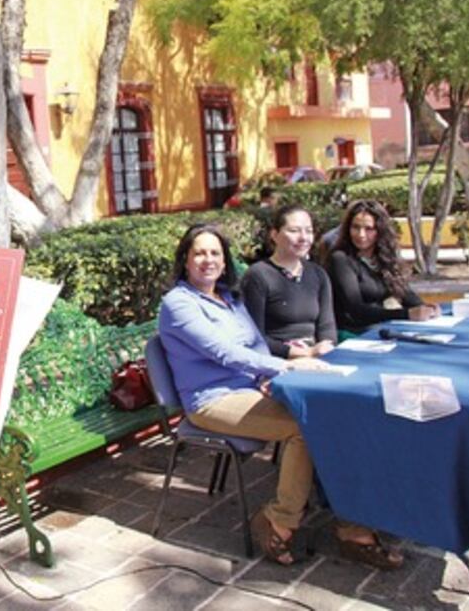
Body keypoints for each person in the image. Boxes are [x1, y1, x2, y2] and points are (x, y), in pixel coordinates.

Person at [158, 223, 403, 569]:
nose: (207, 260)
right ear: (185, 259)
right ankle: (279, 520)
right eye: (199, 252)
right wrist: (283, 368)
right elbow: (223, 352)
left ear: (225, 263)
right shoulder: (177, 304)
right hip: (211, 400)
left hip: (246, 388)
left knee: (331, 418)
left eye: (215, 253)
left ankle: (351, 524)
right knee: (303, 429)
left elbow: (254, 344)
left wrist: (265, 374)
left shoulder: (228, 298)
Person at [327, 199, 439, 333]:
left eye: (369, 229)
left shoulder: (384, 258)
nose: (361, 234)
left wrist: (425, 308)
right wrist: (406, 314)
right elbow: (355, 310)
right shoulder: (341, 259)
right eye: (355, 227)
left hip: (381, 327)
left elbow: (404, 292)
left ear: (380, 230)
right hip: (353, 331)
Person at [242, 205, 337, 359]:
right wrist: (302, 353)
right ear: (275, 235)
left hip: (316, 357)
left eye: (309, 231)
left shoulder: (318, 274)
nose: (303, 238)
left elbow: (327, 327)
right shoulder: (258, 275)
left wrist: (324, 348)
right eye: (294, 231)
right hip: (279, 360)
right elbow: (255, 336)